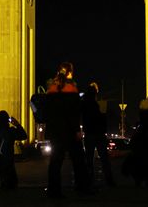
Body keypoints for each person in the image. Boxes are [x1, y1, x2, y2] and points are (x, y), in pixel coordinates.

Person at [44, 62, 90, 198]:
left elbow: (48, 112)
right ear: (70, 72)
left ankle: (54, 191)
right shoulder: (71, 88)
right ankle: (82, 187)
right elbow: (74, 113)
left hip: (55, 132)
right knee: (78, 160)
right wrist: (77, 130)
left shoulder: (51, 88)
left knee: (55, 162)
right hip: (69, 131)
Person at [81, 82, 115, 187]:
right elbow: (99, 118)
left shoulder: (84, 102)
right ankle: (109, 180)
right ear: (95, 92)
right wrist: (103, 115)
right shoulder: (96, 104)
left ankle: (89, 180)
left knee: (89, 158)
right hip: (98, 133)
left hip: (89, 133)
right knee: (104, 158)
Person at [0, 110, 27, 190]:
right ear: (7, 120)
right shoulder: (10, 131)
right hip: (7, 160)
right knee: (12, 181)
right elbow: (24, 136)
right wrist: (17, 124)